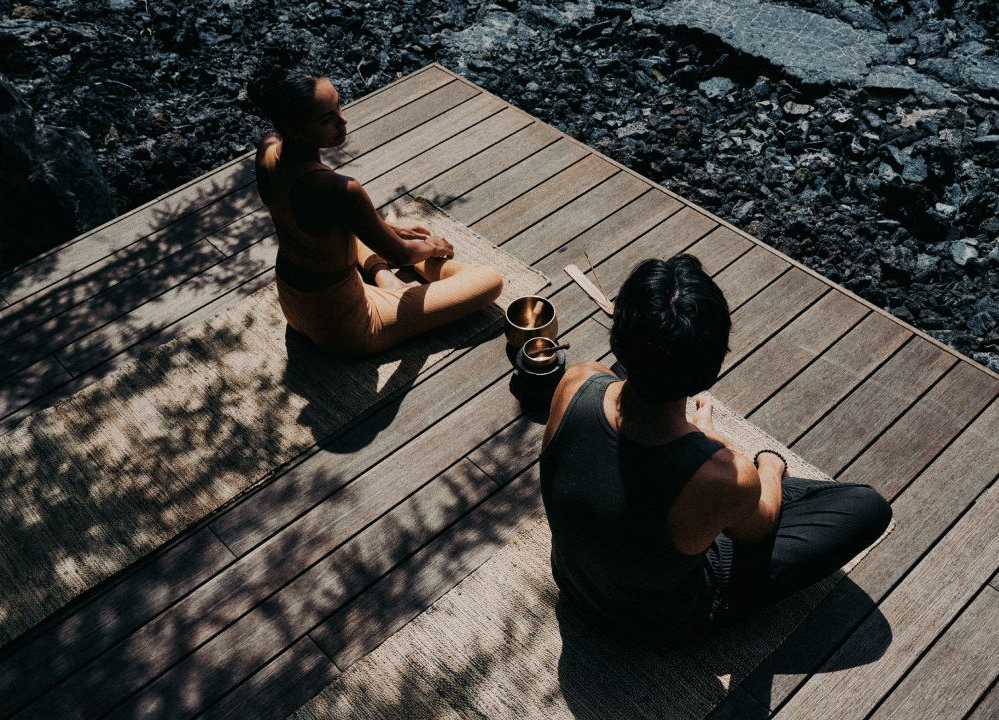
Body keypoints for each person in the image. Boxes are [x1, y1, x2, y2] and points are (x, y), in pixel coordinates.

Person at [539, 253, 892, 636]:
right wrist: (768, 462)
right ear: (710, 369)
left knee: (634, 380)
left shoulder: (576, 380)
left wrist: (695, 437)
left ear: (618, 336)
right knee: (867, 506)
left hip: (575, 584)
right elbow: (759, 529)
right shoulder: (726, 476)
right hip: (655, 622)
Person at [246, 65, 504, 357]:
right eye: (327, 119)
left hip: (295, 306)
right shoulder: (339, 189)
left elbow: (320, 216)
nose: (343, 120)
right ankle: (391, 275)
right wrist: (430, 246)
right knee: (489, 280)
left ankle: (385, 278)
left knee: (359, 229)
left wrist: (391, 229)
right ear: (295, 130)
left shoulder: (267, 150)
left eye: (339, 106)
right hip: (347, 326)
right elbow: (401, 255)